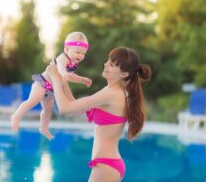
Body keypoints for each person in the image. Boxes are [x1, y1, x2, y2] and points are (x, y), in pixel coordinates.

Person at [46, 46, 151, 181]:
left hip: (106, 166)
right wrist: (63, 82)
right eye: (108, 61)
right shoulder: (111, 90)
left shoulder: (111, 94)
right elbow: (74, 109)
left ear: (124, 74)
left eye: (112, 65)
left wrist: (55, 78)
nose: (106, 64)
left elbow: (64, 109)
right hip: (107, 164)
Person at [11, 32, 92, 140]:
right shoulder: (63, 58)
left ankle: (43, 128)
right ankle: (16, 116)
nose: (80, 56)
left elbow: (72, 76)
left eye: (83, 53)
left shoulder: (73, 63)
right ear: (66, 49)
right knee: (32, 101)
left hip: (51, 89)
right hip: (42, 83)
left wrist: (82, 80)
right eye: (78, 52)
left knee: (47, 110)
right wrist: (63, 73)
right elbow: (61, 67)